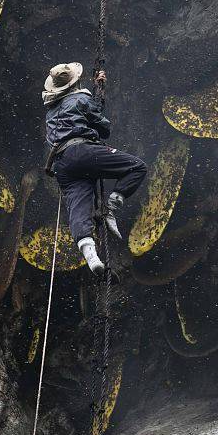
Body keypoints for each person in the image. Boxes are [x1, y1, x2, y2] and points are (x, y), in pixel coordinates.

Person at [43, 62, 147, 276]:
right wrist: (98, 95)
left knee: (79, 207)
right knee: (137, 167)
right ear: (75, 82)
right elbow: (104, 128)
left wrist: (97, 95)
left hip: (62, 164)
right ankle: (112, 205)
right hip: (82, 152)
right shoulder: (81, 98)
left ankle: (91, 256)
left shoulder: (50, 112)